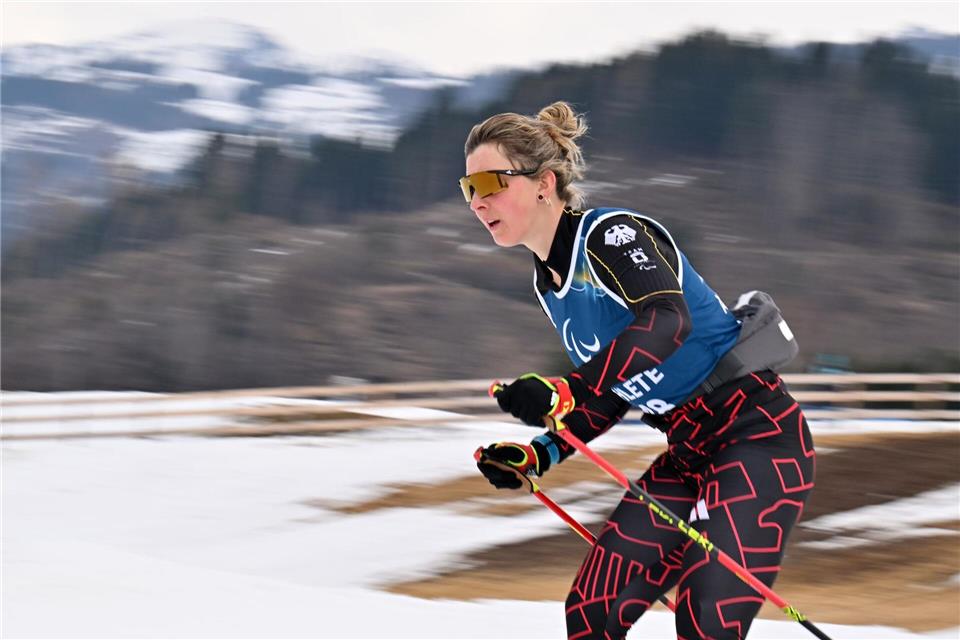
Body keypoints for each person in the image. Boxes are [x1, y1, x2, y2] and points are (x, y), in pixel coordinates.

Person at [464, 101, 816, 640]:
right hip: (688, 449)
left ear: (543, 183)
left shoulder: (607, 235)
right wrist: (542, 452)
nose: (479, 200)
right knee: (591, 612)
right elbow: (617, 387)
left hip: (757, 434)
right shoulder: (550, 284)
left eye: (491, 181)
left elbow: (665, 320)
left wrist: (565, 389)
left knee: (705, 620)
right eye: (468, 189)